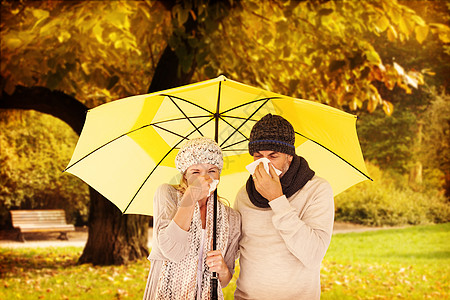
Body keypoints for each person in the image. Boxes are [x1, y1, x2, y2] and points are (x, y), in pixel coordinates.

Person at [234, 114, 334, 300]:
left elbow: (313, 254)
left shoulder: (317, 189)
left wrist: (277, 199)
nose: (264, 163)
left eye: (273, 156)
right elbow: (233, 250)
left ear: (289, 156)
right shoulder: (244, 194)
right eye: (258, 156)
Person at [143, 137, 241, 300]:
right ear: (185, 176)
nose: (205, 178)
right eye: (196, 172)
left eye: (212, 171)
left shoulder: (231, 218)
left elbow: (225, 280)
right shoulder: (168, 195)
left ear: (219, 175)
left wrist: (222, 268)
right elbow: (172, 251)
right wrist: (190, 198)